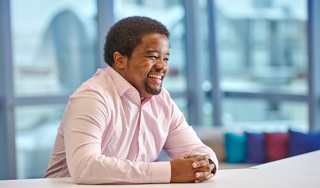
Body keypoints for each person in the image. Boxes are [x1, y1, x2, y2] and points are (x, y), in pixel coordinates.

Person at [44, 16, 218, 184]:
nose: (162, 66)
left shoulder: (162, 100)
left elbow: (201, 152)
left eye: (165, 58)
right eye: (152, 57)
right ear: (120, 60)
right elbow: (85, 167)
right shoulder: (92, 96)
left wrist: (204, 166)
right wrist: (170, 171)